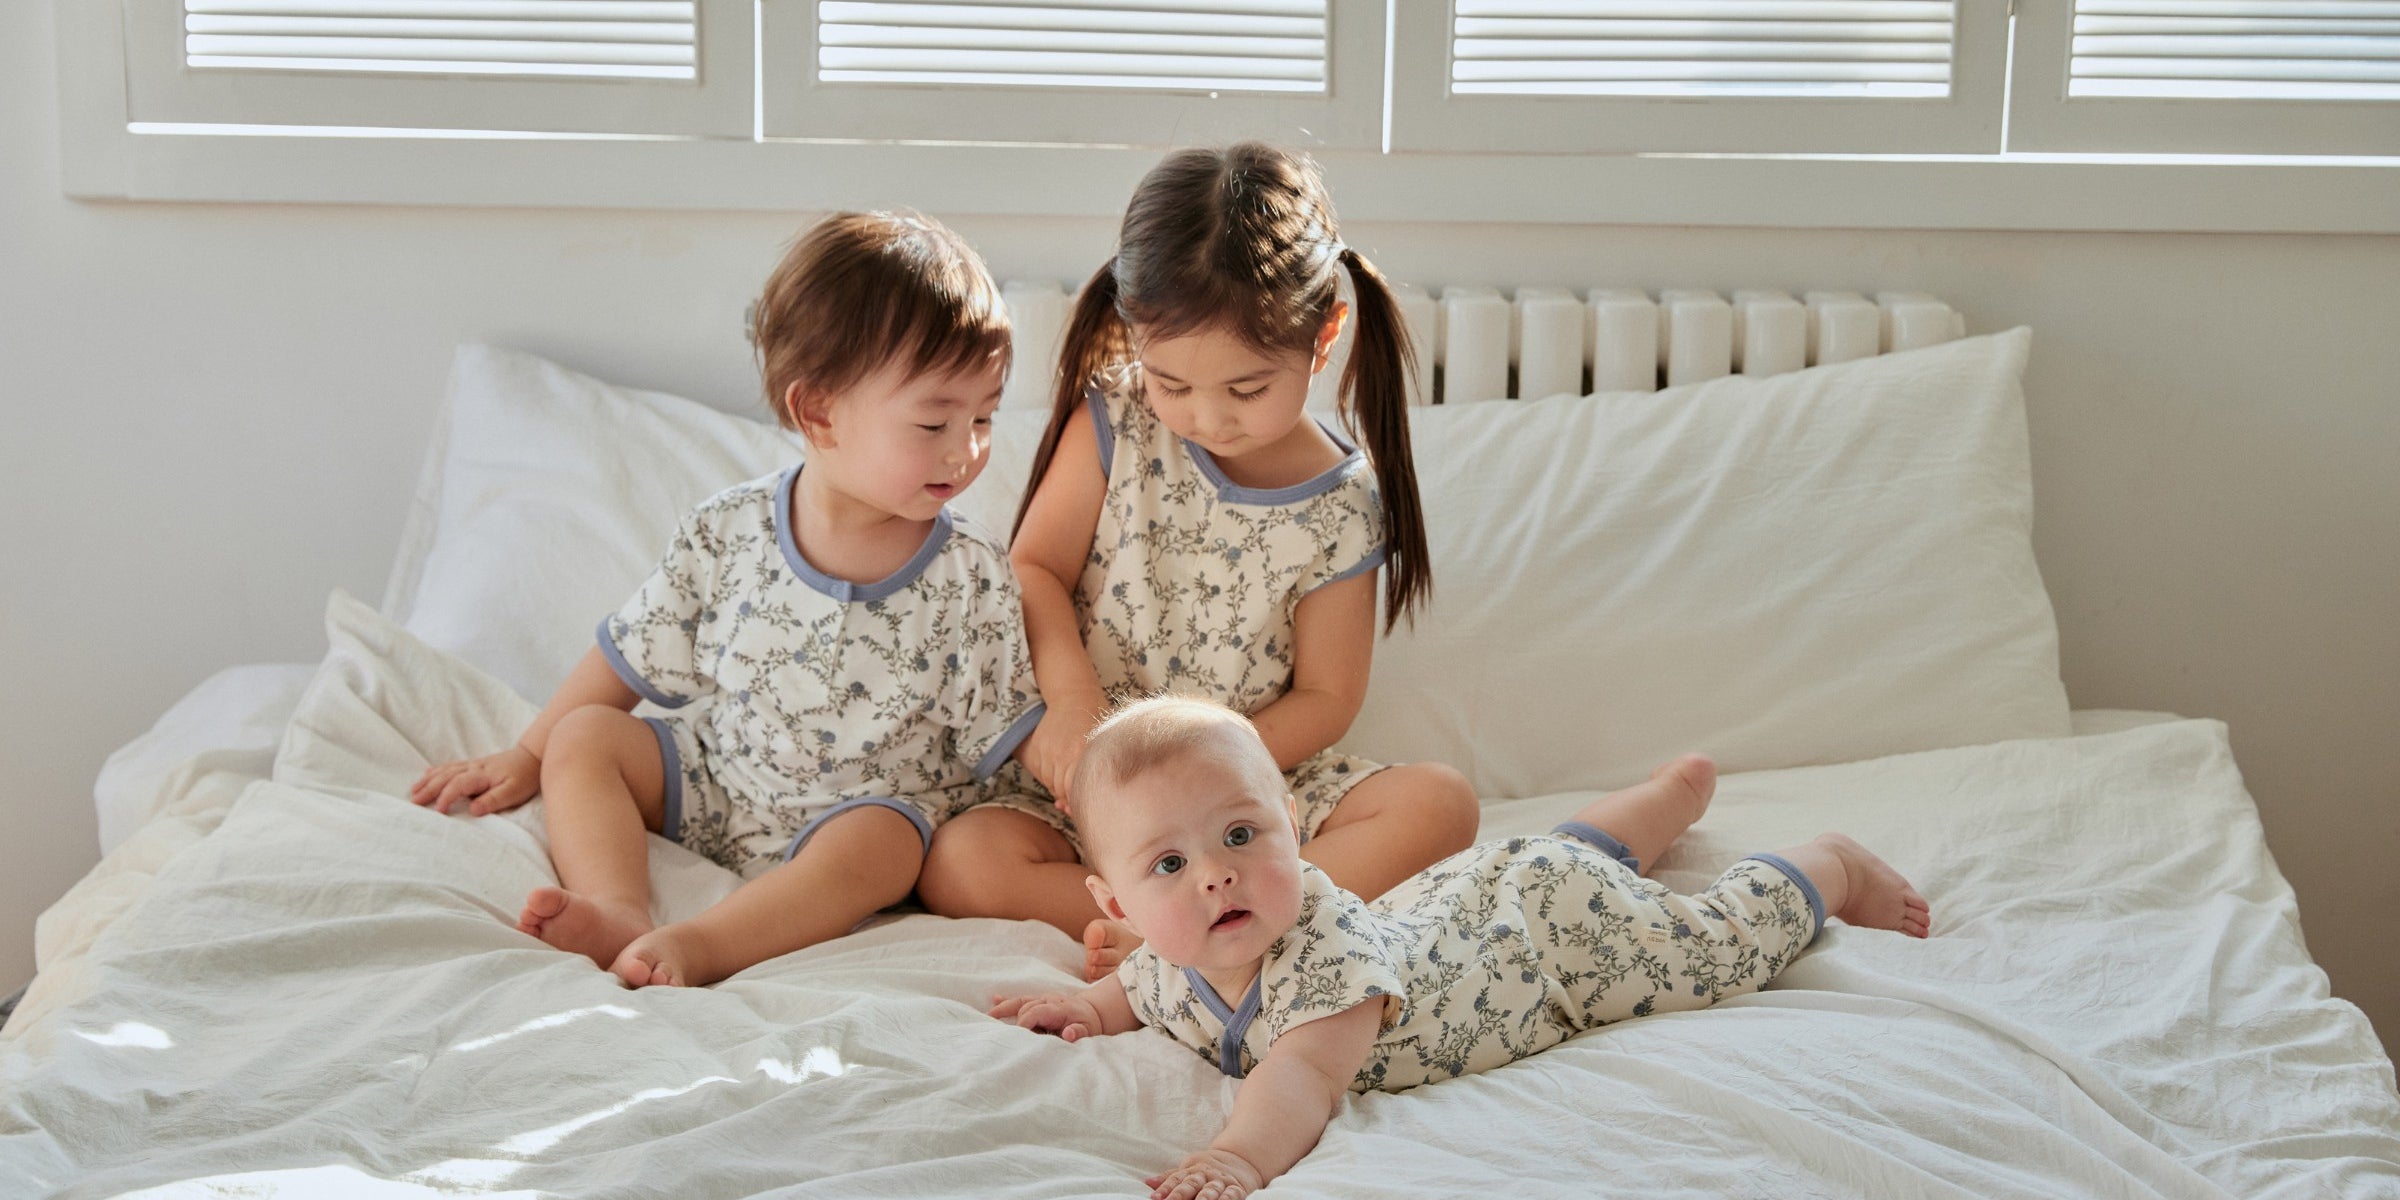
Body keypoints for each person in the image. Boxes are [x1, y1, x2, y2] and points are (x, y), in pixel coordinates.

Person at [408, 211, 1045, 989]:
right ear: (818, 412)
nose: (967, 448)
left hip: (866, 812)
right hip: (723, 779)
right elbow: (631, 654)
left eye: (984, 417)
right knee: (585, 736)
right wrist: (527, 752)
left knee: (885, 846)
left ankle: (707, 943)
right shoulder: (728, 531)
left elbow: (1008, 734)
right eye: (934, 420)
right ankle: (616, 908)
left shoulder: (969, 572)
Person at [992, 697, 1931, 1200]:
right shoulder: (1169, 953)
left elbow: (1300, 1084)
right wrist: (1085, 1008)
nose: (1215, 877)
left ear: (1290, 823)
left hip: (1552, 953)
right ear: (1114, 901)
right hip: (1483, 897)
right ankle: (1666, 803)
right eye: (1169, 863)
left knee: (1702, 955)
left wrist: (1235, 1162)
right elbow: (1144, 990)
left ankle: (1825, 869)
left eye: (1242, 835)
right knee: (1560, 860)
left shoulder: (1327, 963)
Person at [918, 142, 1480, 979]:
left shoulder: (1340, 506)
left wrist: (1211, 771)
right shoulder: (1117, 421)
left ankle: (1180, 926)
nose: (1206, 417)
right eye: (1172, 382)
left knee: (1442, 806)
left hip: (1238, 804)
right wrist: (1073, 715)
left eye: (1246, 389)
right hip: (1093, 784)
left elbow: (1328, 696)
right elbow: (1033, 570)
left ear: (1324, 335)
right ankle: (1173, 918)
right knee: (958, 859)